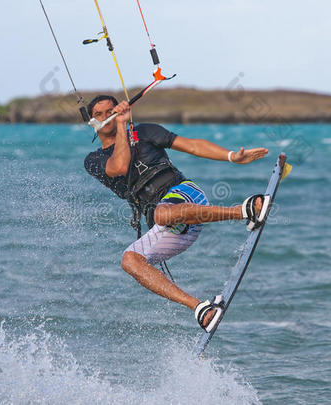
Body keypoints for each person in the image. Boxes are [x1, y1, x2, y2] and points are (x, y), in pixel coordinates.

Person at [83, 95, 269, 331]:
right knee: (130, 260)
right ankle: (201, 308)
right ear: (91, 121)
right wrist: (121, 125)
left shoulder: (145, 131)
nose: (106, 116)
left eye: (111, 110)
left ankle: (243, 211)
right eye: (99, 114)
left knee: (162, 213)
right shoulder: (94, 160)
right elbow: (119, 166)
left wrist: (232, 156)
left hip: (186, 195)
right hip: (168, 226)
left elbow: (191, 145)